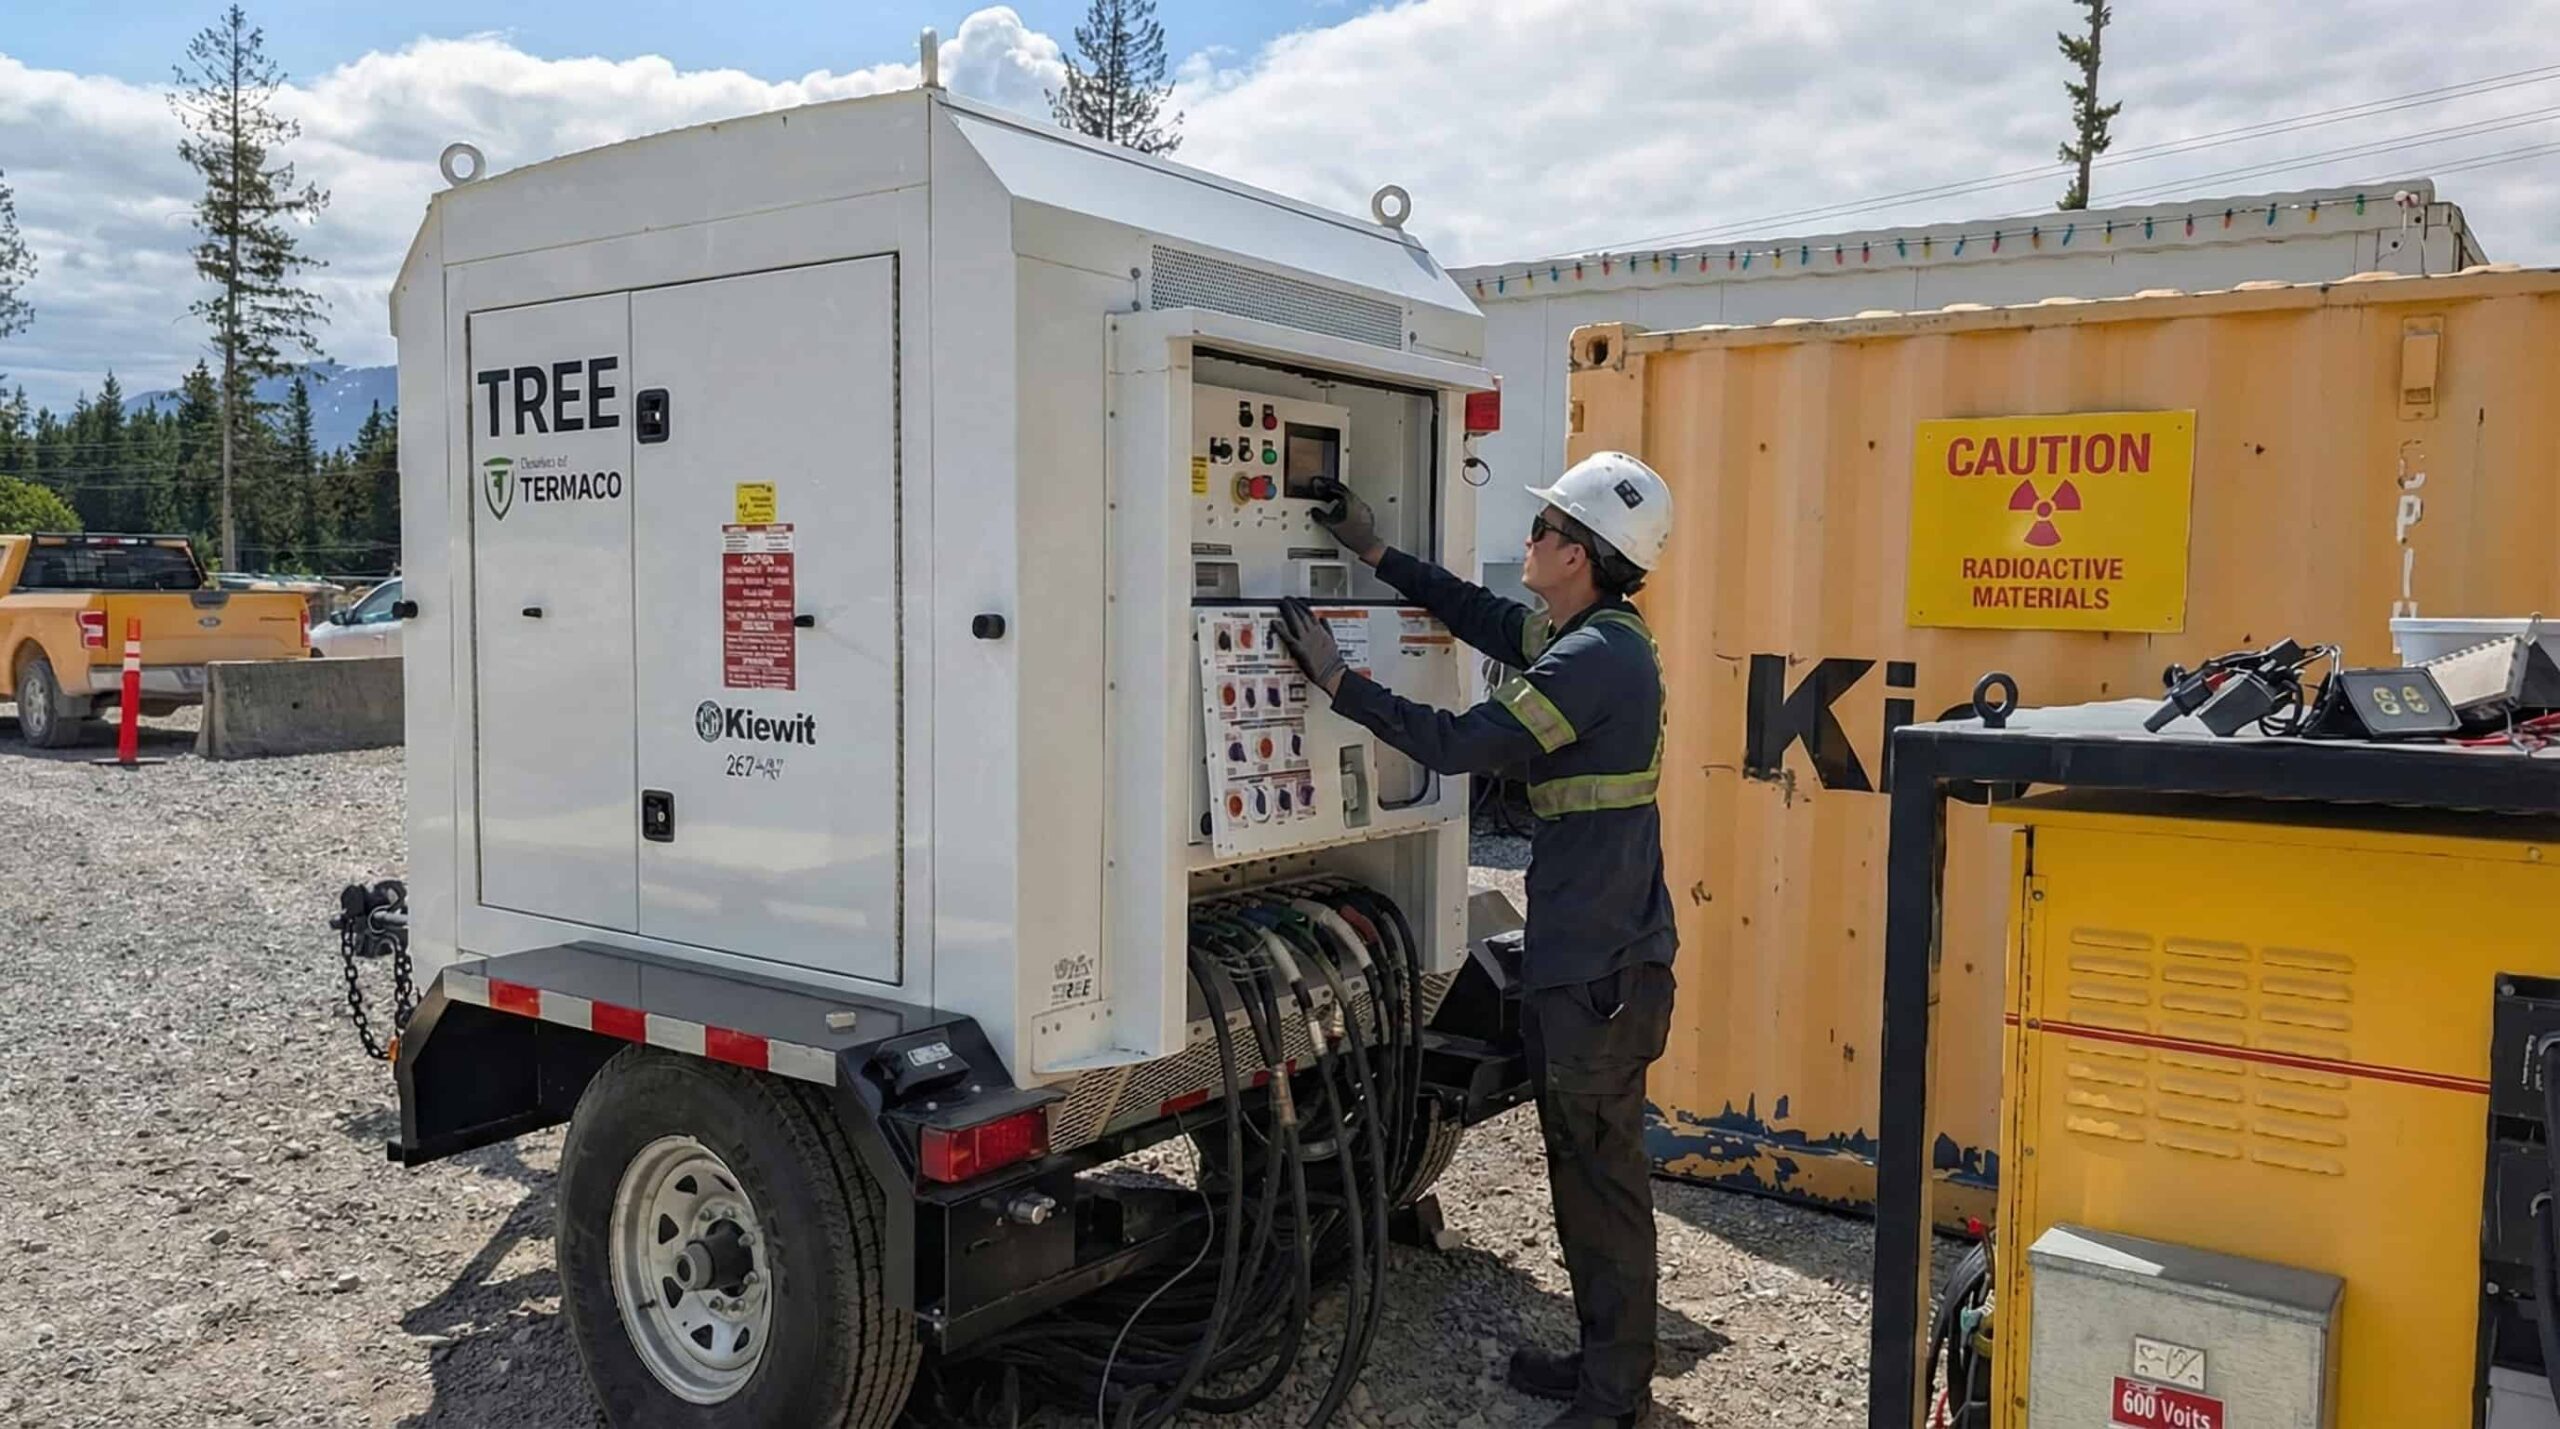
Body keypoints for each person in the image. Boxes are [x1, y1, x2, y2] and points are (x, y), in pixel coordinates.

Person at [1273, 452, 1679, 1429]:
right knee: (1583, 1171)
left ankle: (1614, 1393)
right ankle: (1600, 1365)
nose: (1528, 543)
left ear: (1577, 556)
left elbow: (1460, 745)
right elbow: (1481, 614)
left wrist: (1337, 680)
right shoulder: (1592, 633)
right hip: (1594, 960)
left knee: (1599, 1179)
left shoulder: (1594, 660)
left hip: (1598, 975)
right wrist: (1371, 546)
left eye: (1543, 532)